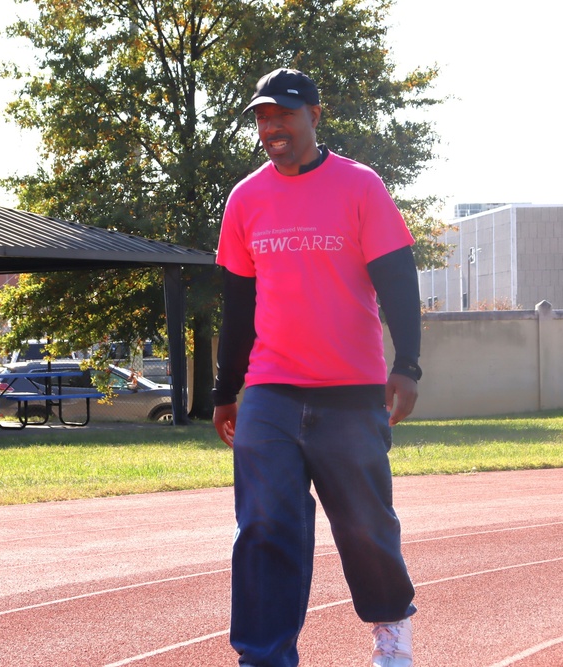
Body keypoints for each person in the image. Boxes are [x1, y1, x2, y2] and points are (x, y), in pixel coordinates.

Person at [212, 67, 423, 667]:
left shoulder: (360, 187)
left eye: (283, 114)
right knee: (263, 527)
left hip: (351, 393)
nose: (271, 126)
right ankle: (264, 655)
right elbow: (238, 307)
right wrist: (227, 391)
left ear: (314, 115)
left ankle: (391, 632)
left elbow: (399, 283)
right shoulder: (246, 198)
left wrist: (407, 365)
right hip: (272, 392)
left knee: (365, 526)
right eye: (262, 117)